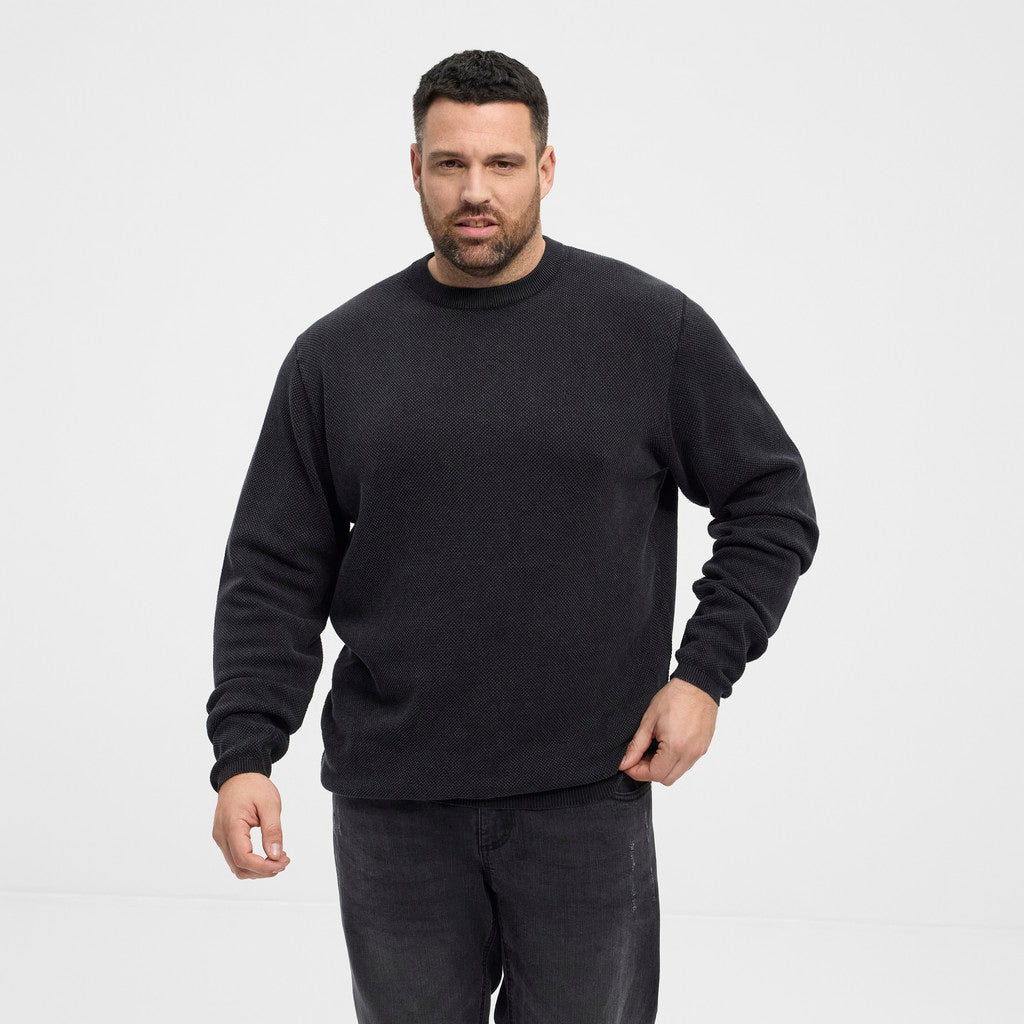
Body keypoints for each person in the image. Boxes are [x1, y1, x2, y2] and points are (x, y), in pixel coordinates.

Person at [207, 48, 819, 1024]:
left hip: (587, 796)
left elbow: (771, 500)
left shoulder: (646, 329)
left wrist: (702, 675)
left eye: (501, 163)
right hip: (395, 807)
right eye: (451, 164)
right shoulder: (337, 357)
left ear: (546, 168)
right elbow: (274, 570)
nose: (475, 192)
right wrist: (245, 752)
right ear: (415, 169)